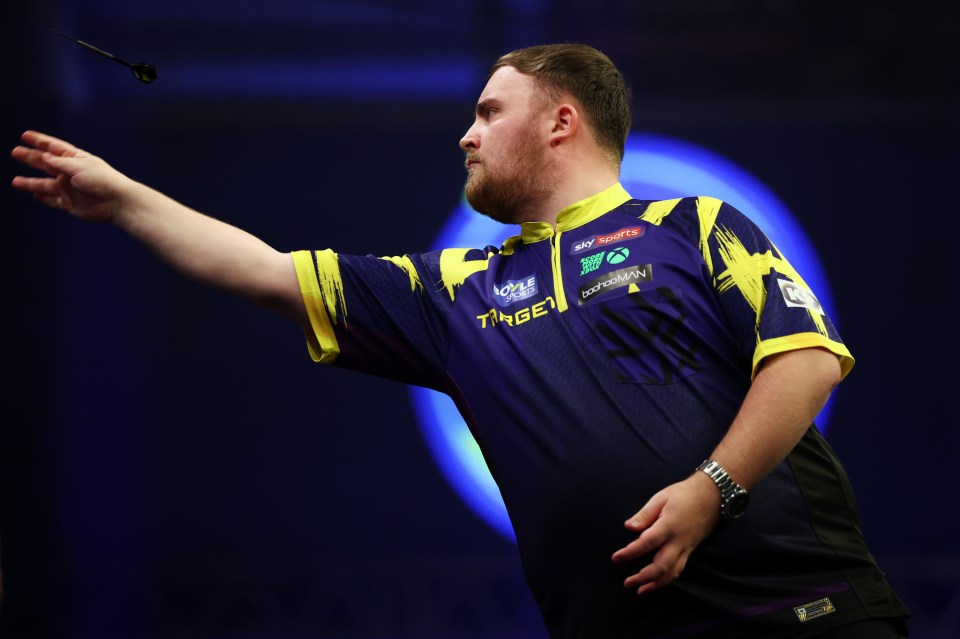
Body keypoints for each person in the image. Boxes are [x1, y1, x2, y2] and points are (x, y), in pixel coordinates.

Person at [12, 44, 909, 638]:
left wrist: (711, 492)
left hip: (805, 611)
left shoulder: (692, 224)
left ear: (561, 121)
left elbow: (805, 358)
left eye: (488, 111)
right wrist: (123, 199)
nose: (465, 133)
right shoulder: (455, 291)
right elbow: (266, 271)